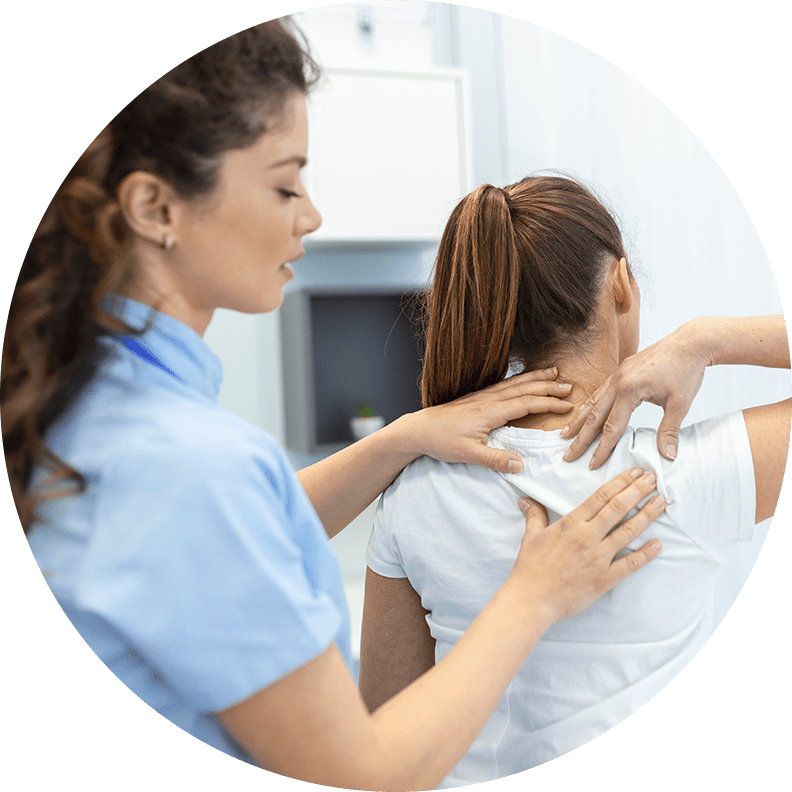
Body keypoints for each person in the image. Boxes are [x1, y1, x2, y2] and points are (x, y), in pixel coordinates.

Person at [0, 20, 667, 791]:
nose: (309, 216)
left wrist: (402, 439)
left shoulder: (96, 404)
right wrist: (533, 595)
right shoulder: (193, 466)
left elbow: (230, 537)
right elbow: (365, 775)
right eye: (285, 185)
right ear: (155, 207)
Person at [360, 176, 790, 787]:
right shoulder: (681, 475)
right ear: (620, 285)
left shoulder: (413, 489)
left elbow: (381, 730)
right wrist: (707, 340)